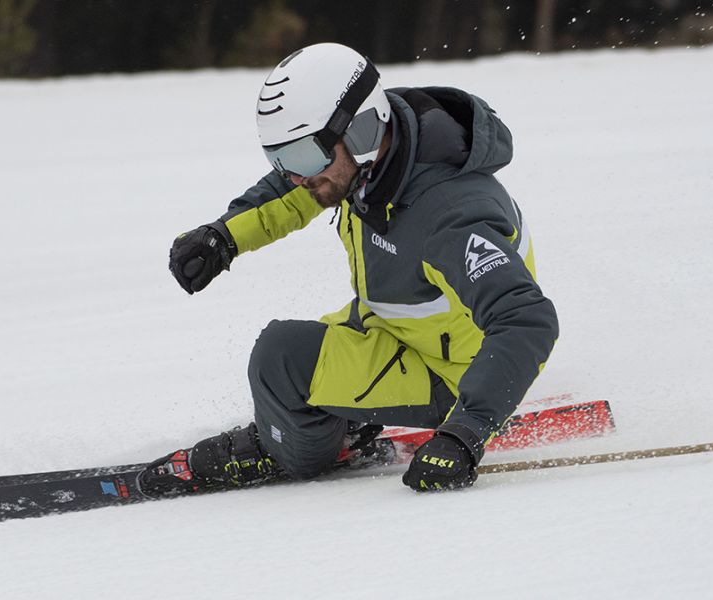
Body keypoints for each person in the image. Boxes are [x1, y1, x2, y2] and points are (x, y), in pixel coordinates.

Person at [140, 42, 558, 495]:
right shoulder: (377, 157)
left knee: (280, 360)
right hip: (399, 326)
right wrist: (223, 236)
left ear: (361, 130)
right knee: (303, 353)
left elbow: (526, 319)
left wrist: (465, 432)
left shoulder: (451, 216)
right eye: (280, 158)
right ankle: (342, 423)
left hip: (453, 372)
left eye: (302, 156)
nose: (295, 176)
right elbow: (292, 192)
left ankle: (286, 450)